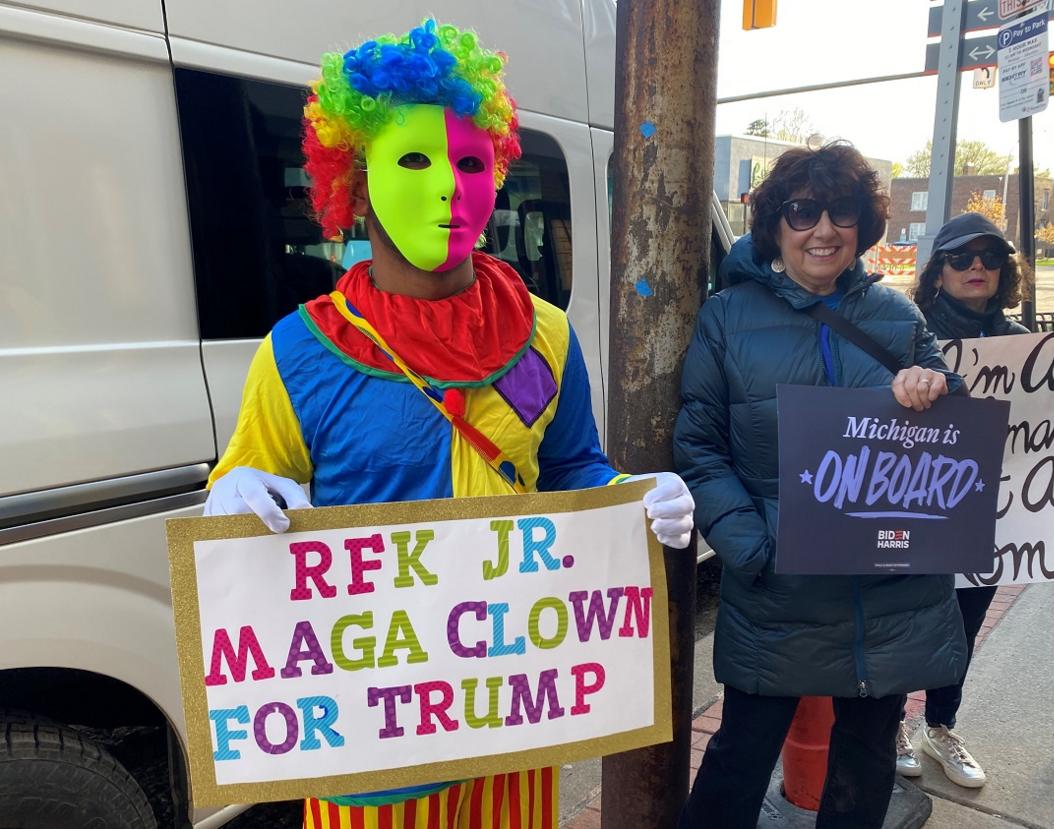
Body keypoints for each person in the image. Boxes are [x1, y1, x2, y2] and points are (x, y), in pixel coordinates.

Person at [202, 20, 695, 829]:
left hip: (512, 718)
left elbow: (573, 468)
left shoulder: (547, 333)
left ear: (497, 170)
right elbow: (247, 492)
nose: (447, 189)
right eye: (414, 161)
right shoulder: (297, 351)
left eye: (469, 162)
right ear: (357, 184)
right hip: (370, 746)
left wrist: (628, 495)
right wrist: (233, 500)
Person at [674, 142, 968, 829]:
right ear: (776, 223)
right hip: (780, 587)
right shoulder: (727, 317)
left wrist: (936, 390)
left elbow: (953, 424)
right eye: (804, 211)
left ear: (863, 225)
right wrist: (754, 548)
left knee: (864, 764)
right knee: (739, 758)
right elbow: (699, 447)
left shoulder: (899, 318)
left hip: (886, 593)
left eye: (842, 211)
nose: (824, 229)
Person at [895, 213, 1028, 788]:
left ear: (1004, 270)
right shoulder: (907, 333)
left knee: (963, 624)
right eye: (961, 257)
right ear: (938, 270)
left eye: (990, 257)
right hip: (919, 505)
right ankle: (892, 723)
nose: (977, 267)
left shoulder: (1029, 346)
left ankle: (940, 723)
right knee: (903, 618)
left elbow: (1046, 426)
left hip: (994, 511)